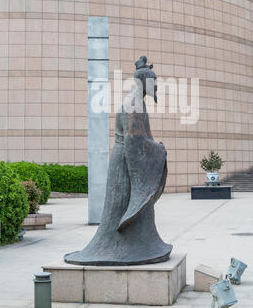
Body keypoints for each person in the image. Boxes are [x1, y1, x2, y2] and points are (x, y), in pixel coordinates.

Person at [64, 57, 172, 265]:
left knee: (139, 207)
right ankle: (124, 248)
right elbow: (134, 141)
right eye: (154, 81)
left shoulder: (136, 102)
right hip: (127, 165)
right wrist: (157, 149)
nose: (157, 85)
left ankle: (143, 244)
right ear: (143, 82)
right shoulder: (133, 104)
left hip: (128, 159)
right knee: (121, 207)